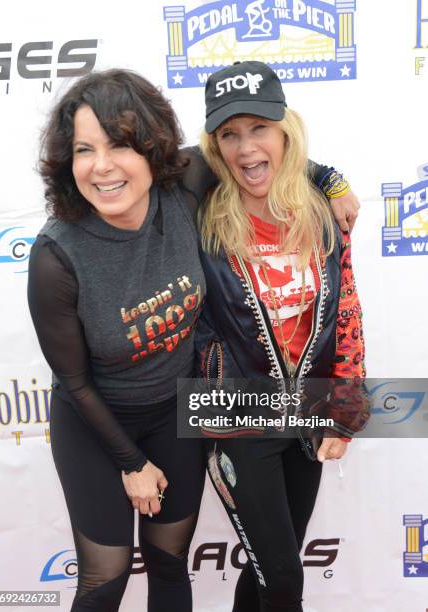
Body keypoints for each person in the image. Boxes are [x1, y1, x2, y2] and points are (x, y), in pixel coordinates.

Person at [27, 68, 360, 612]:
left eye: (119, 145)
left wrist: (334, 180)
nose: (103, 165)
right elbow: (74, 380)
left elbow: (267, 150)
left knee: (168, 563)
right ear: (68, 160)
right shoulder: (55, 256)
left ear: (152, 151)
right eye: (85, 149)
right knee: (105, 577)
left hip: (179, 413)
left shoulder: (182, 190)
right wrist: (131, 463)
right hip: (95, 421)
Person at [195, 61, 367, 612]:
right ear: (214, 145)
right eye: (230, 134)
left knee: (272, 569)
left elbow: (347, 314)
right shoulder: (197, 215)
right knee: (285, 582)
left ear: (285, 131)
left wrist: (345, 410)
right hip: (236, 415)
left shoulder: (320, 216)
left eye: (259, 128)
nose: (246, 150)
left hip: (308, 411)